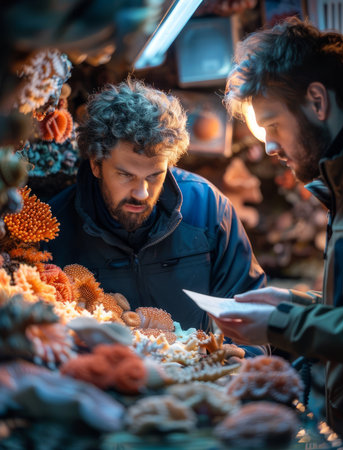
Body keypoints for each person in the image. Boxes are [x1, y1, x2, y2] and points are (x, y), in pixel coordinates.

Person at [212, 17, 343, 447]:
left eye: (273, 125)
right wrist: (293, 302)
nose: (269, 148)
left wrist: (285, 322)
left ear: (317, 101)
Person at [45, 78, 265, 331]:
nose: (142, 193)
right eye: (126, 175)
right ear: (96, 164)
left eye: (154, 176)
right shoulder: (54, 227)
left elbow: (248, 305)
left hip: (197, 368)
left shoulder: (207, 207)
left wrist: (240, 361)